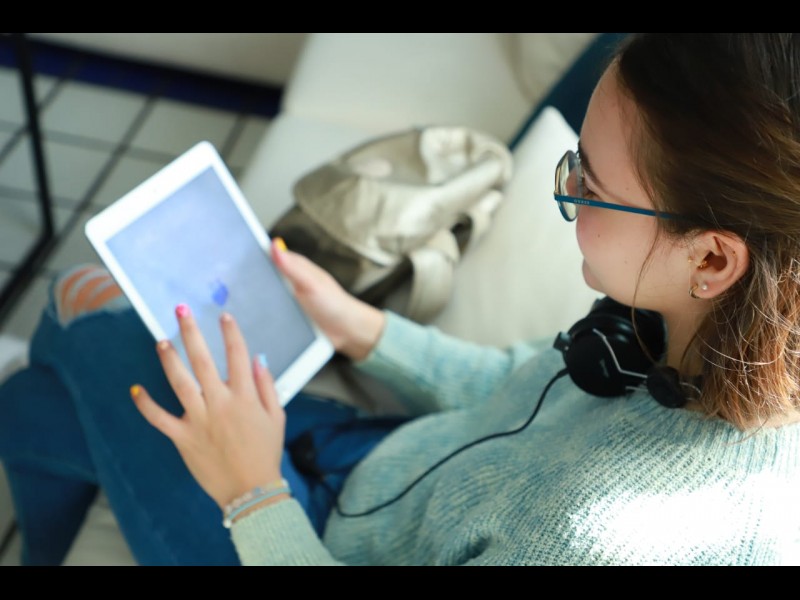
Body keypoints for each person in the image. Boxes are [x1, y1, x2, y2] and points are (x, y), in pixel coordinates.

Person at [2, 32, 800, 566]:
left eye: (587, 182)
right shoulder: (673, 332)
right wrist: (364, 329)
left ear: (711, 258)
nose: (569, 192)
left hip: (304, 535)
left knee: (83, 313)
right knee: (31, 406)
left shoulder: (593, 535)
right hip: (376, 467)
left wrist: (251, 491)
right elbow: (518, 383)